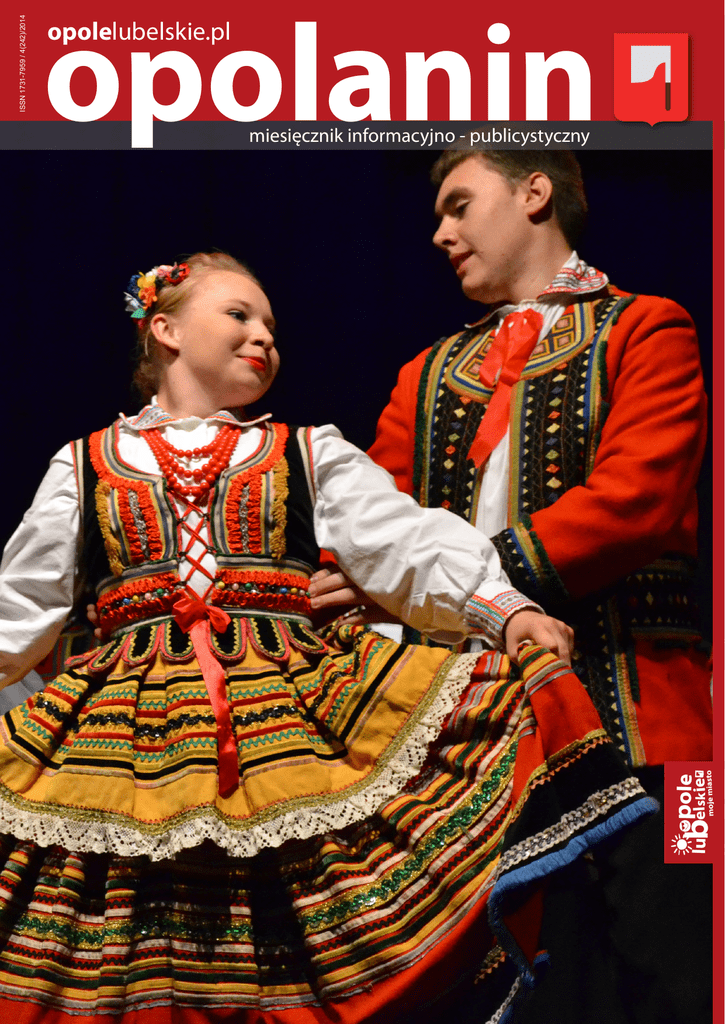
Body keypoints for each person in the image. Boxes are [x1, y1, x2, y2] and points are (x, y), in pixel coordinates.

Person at [0, 251, 652, 1024]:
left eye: (272, 327)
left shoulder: (305, 452)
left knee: (288, 932)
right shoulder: (85, 465)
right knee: (137, 936)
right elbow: (20, 604)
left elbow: (406, 543)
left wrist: (501, 609)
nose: (263, 337)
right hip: (125, 742)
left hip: (284, 725)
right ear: (165, 329)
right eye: (239, 315)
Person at [310, 149, 712, 1024]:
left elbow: (634, 500)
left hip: (661, 730)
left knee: (692, 949)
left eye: (458, 205)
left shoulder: (648, 328)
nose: (439, 232)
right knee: (536, 984)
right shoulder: (426, 374)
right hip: (484, 747)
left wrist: (463, 581)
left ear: (534, 193)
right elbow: (372, 535)